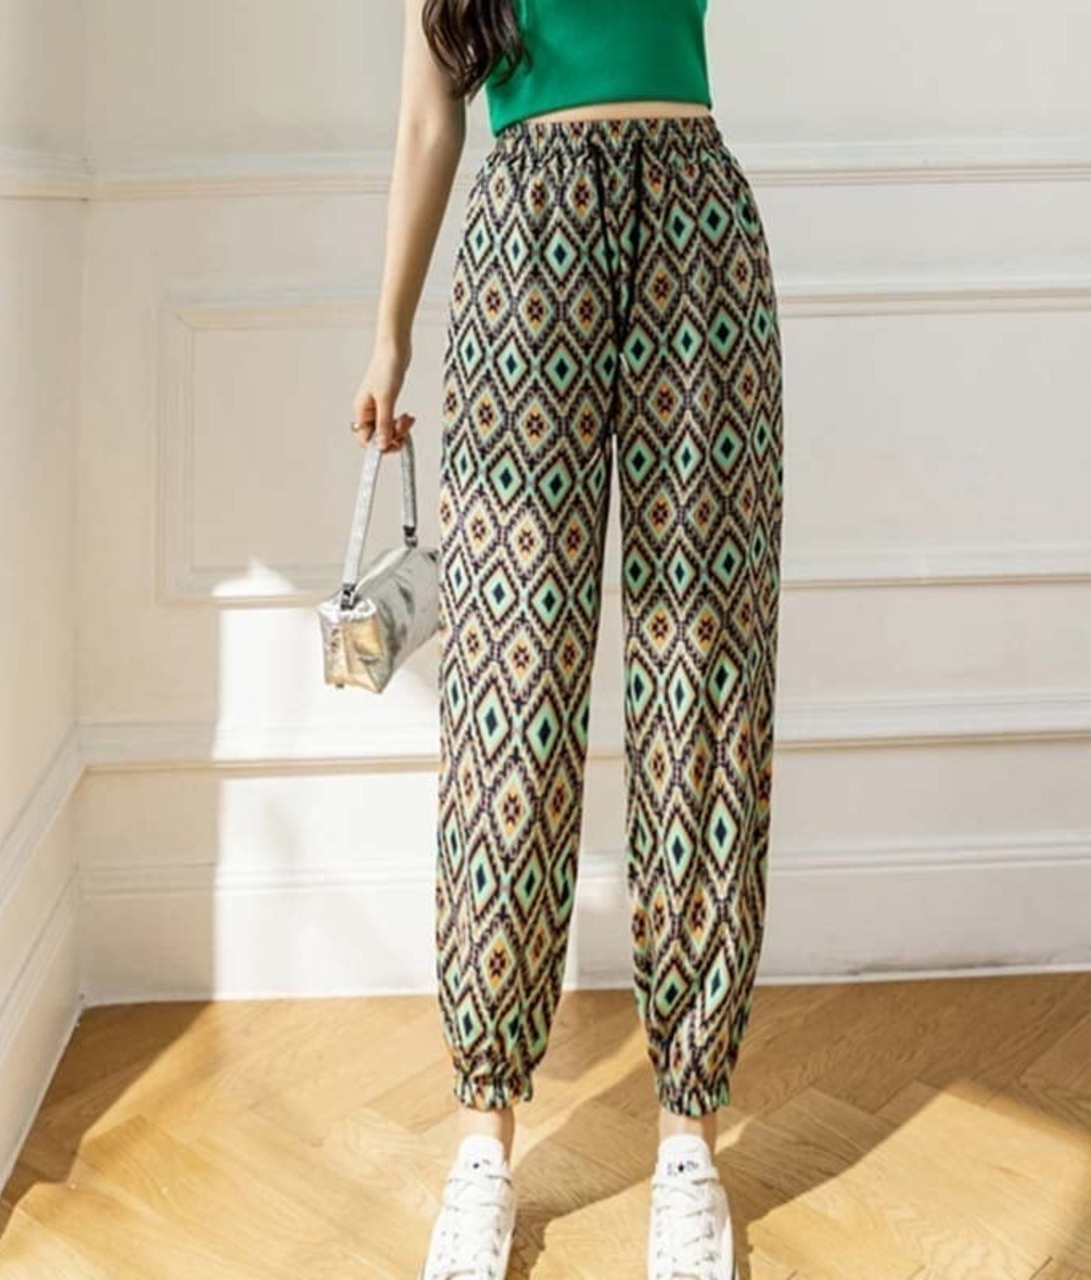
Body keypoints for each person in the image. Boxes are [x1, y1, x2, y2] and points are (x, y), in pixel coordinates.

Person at [350, 2, 784, 1276]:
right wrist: (389, 330)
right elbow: (428, 115)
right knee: (511, 693)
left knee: (704, 684)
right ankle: (482, 1143)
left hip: (698, 238)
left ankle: (689, 1140)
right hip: (522, 253)